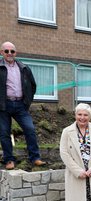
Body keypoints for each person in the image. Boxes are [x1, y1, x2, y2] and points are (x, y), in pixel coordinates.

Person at [0, 41, 46, 170]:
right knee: (4, 133)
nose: (10, 53)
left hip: (20, 105)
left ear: (16, 53)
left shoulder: (23, 67)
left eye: (12, 51)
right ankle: (9, 159)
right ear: (2, 52)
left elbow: (32, 85)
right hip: (3, 105)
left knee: (30, 129)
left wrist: (27, 101)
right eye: (7, 51)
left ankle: (35, 158)